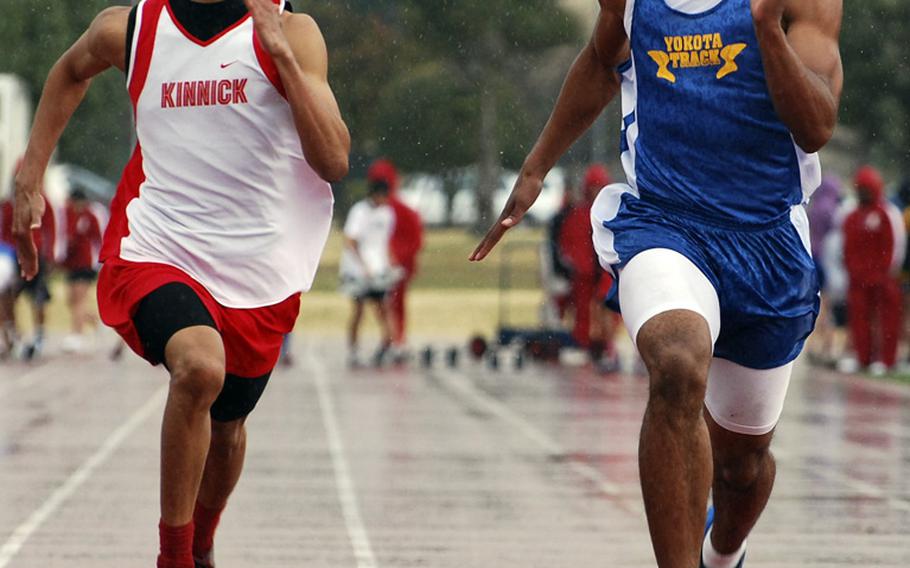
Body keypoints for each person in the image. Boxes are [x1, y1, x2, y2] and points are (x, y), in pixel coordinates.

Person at [471, 1, 843, 567]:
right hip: (663, 221)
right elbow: (601, 62)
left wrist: (766, 29)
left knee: (741, 466)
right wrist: (535, 168)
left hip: (767, 240)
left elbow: (817, 125)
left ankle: (724, 550)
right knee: (676, 362)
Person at [12, 1, 349, 567]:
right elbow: (70, 71)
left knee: (228, 427)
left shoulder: (292, 31)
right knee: (199, 367)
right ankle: (173, 556)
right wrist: (30, 176)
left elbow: (334, 159)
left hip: (256, 268)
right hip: (159, 244)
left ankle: (202, 539)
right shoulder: (132, 26)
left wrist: (283, 58)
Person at [842, 166, 905, 375]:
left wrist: (886, 273)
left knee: (887, 322)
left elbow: (896, 245)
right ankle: (862, 358)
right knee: (859, 319)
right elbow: (848, 247)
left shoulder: (888, 212)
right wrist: (852, 271)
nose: (863, 193)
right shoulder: (852, 216)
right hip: (858, 281)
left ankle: (886, 361)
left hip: (882, 280)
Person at [367, 159, 424, 361]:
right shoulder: (393, 209)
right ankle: (394, 339)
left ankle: (395, 339)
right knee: (388, 304)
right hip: (385, 265)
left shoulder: (396, 209)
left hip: (394, 265)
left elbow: (415, 239)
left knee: (391, 303)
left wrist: (398, 259)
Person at [340, 179, 398, 367]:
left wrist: (389, 263)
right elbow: (350, 240)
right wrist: (362, 265)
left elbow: (384, 242)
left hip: (378, 269)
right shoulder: (360, 211)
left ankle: (387, 346)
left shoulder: (387, 213)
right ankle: (354, 350)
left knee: (384, 309)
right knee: (358, 311)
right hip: (358, 271)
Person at [2, 189, 56, 360]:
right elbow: (3, 231)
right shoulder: (8, 204)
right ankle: (12, 336)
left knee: (38, 299)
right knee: (6, 297)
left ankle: (39, 336)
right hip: (13, 255)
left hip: (36, 254)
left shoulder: (42, 201)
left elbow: (51, 229)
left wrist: (50, 256)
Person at [61, 188, 103, 352]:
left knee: (79, 299)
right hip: (71, 263)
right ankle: (96, 321)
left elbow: (98, 238)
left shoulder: (90, 215)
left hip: (85, 263)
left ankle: (76, 335)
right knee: (71, 300)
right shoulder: (68, 215)